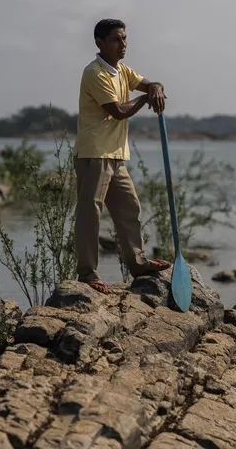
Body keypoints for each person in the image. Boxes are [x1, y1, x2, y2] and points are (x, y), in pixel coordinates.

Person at [73, 18, 171, 293]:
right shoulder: (95, 73)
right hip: (94, 152)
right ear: (100, 43)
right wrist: (145, 98)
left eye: (125, 38)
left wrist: (156, 88)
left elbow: (150, 83)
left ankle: (137, 263)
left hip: (116, 154)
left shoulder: (122, 70)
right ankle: (87, 274)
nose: (123, 44)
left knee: (130, 208)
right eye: (117, 39)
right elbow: (118, 110)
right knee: (90, 213)